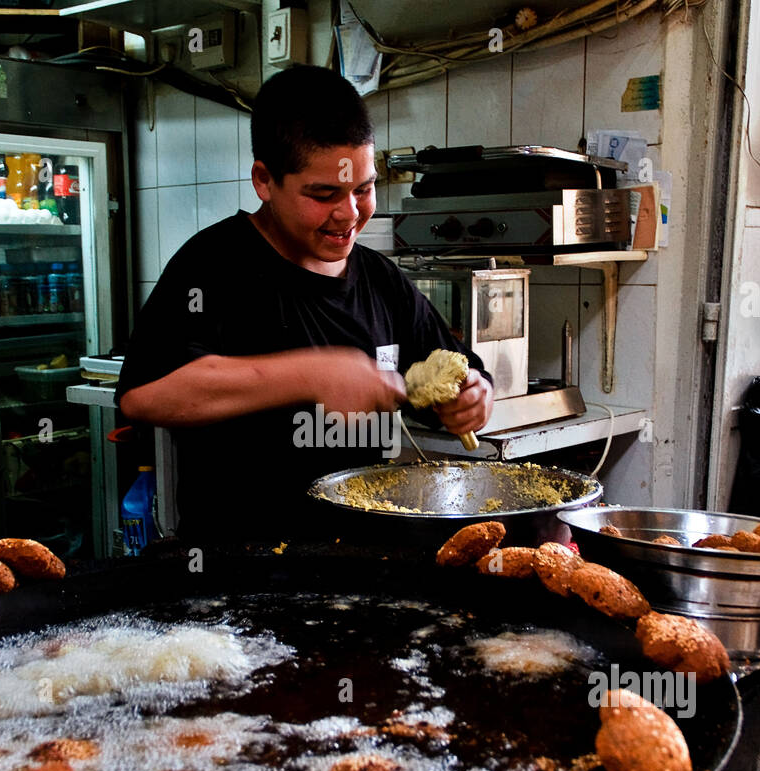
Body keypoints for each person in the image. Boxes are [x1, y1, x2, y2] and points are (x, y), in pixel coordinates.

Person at [116, 65, 492, 542]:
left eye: (363, 188)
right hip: (242, 570)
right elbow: (143, 394)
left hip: (361, 555)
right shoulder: (213, 264)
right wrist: (309, 375)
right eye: (323, 194)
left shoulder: (380, 279)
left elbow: (456, 373)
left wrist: (474, 397)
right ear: (264, 180)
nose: (350, 214)